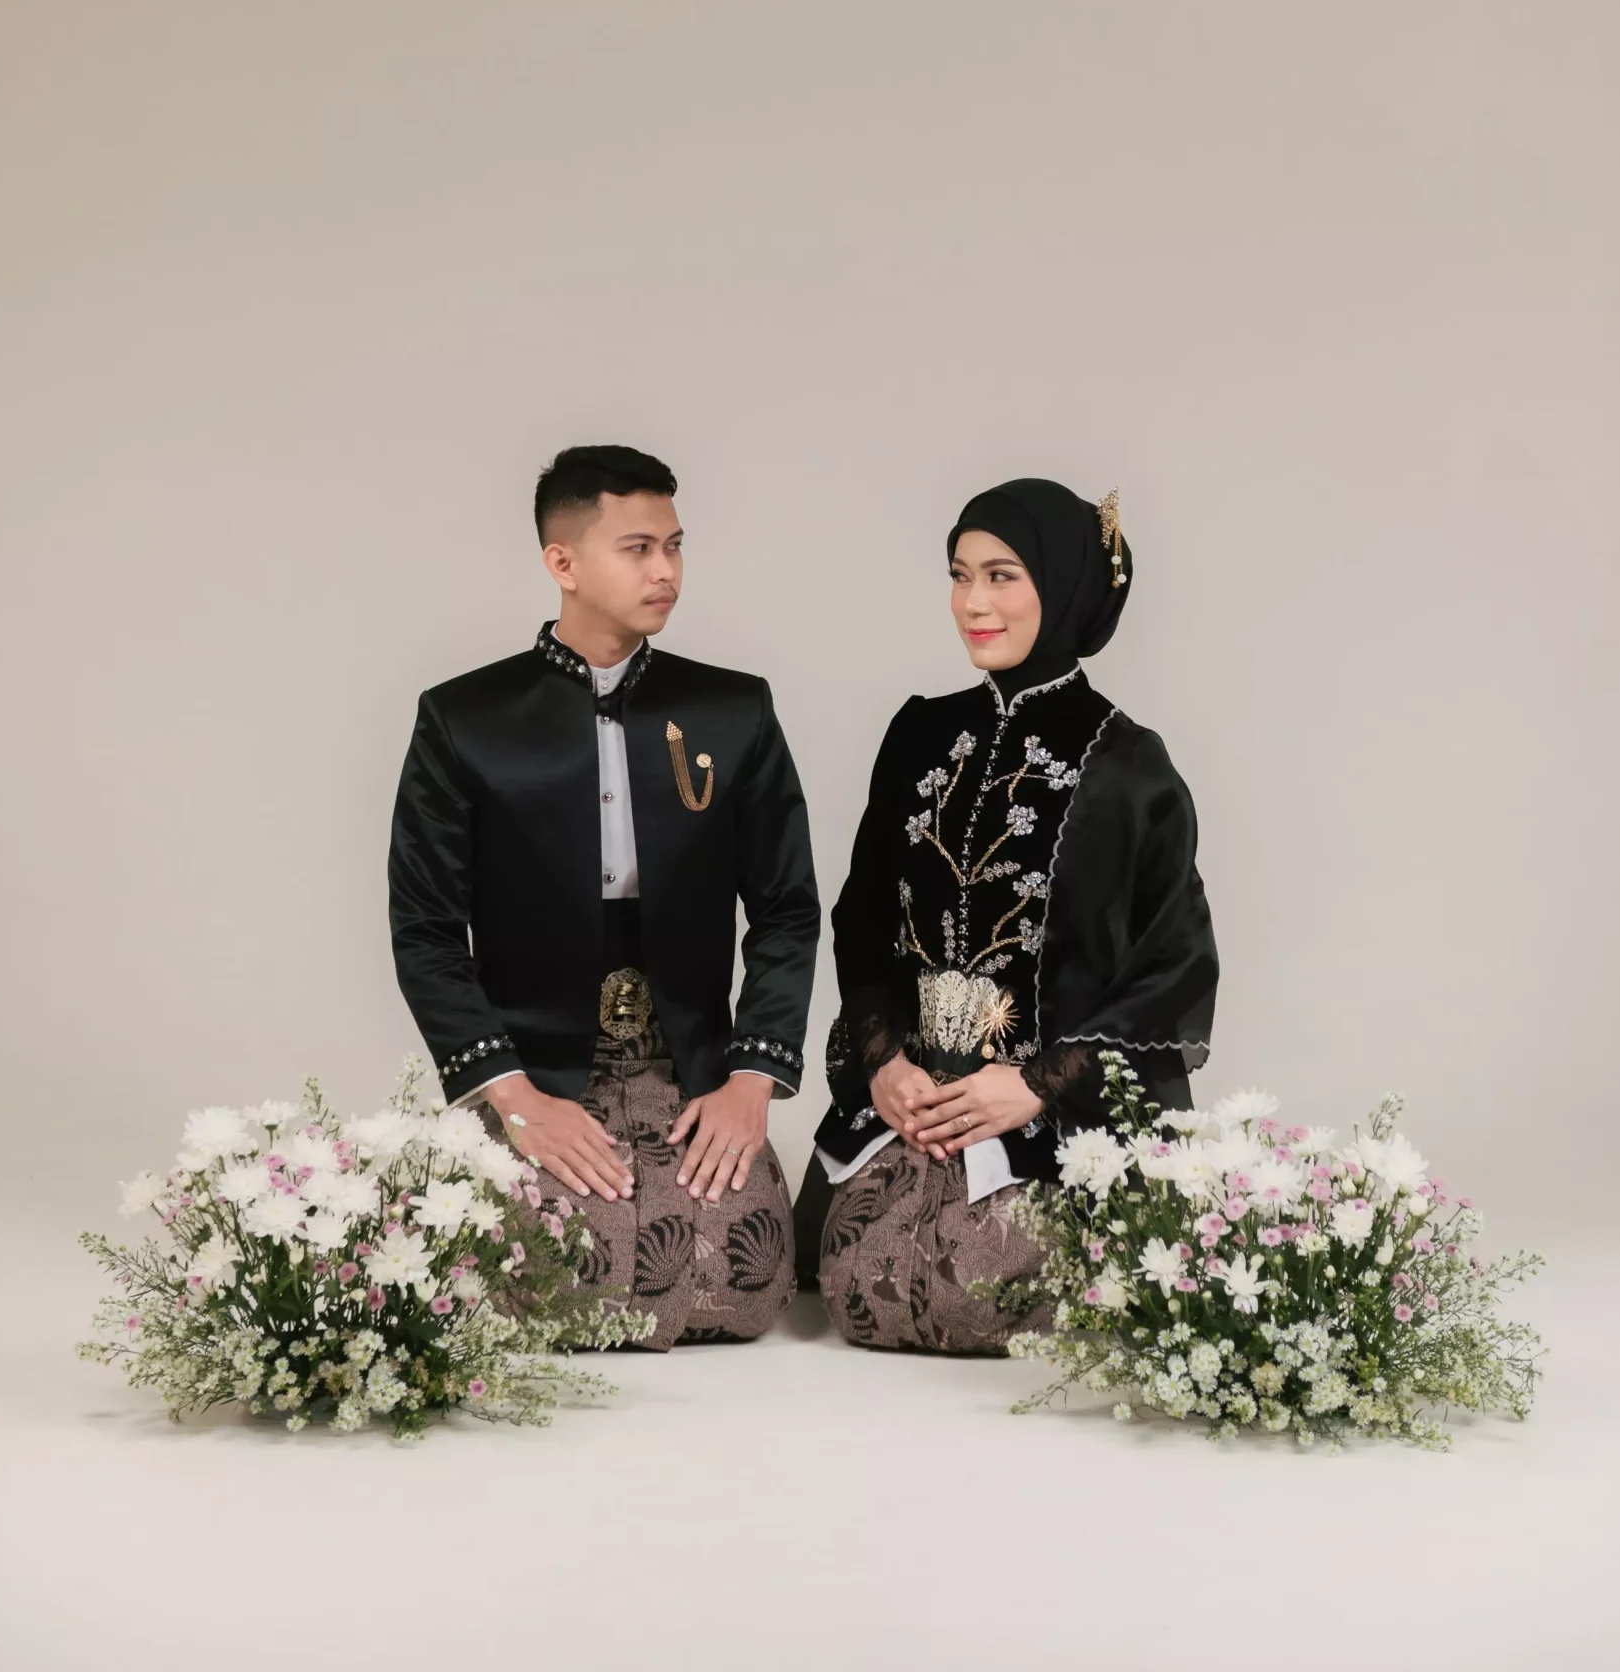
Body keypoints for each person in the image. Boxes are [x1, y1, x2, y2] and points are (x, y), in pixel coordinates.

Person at [389, 444, 819, 1347]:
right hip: (536, 1063)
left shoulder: (734, 709)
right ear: (563, 562)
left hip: (688, 1061)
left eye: (674, 545)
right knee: (527, 1275)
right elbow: (425, 930)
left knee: (742, 1281)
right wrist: (514, 1100)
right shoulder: (463, 719)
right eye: (638, 549)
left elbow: (785, 909)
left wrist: (750, 1080)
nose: (666, 571)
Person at [801, 476, 1217, 1354]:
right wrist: (882, 1063)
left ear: (1063, 587)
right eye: (959, 575)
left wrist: (1034, 1083)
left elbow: (1173, 965)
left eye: (1002, 576)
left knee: (987, 1291)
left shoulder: (1127, 766)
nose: (973, 604)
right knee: (854, 1280)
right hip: (915, 1105)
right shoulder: (918, 735)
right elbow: (863, 917)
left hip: (1048, 1114)